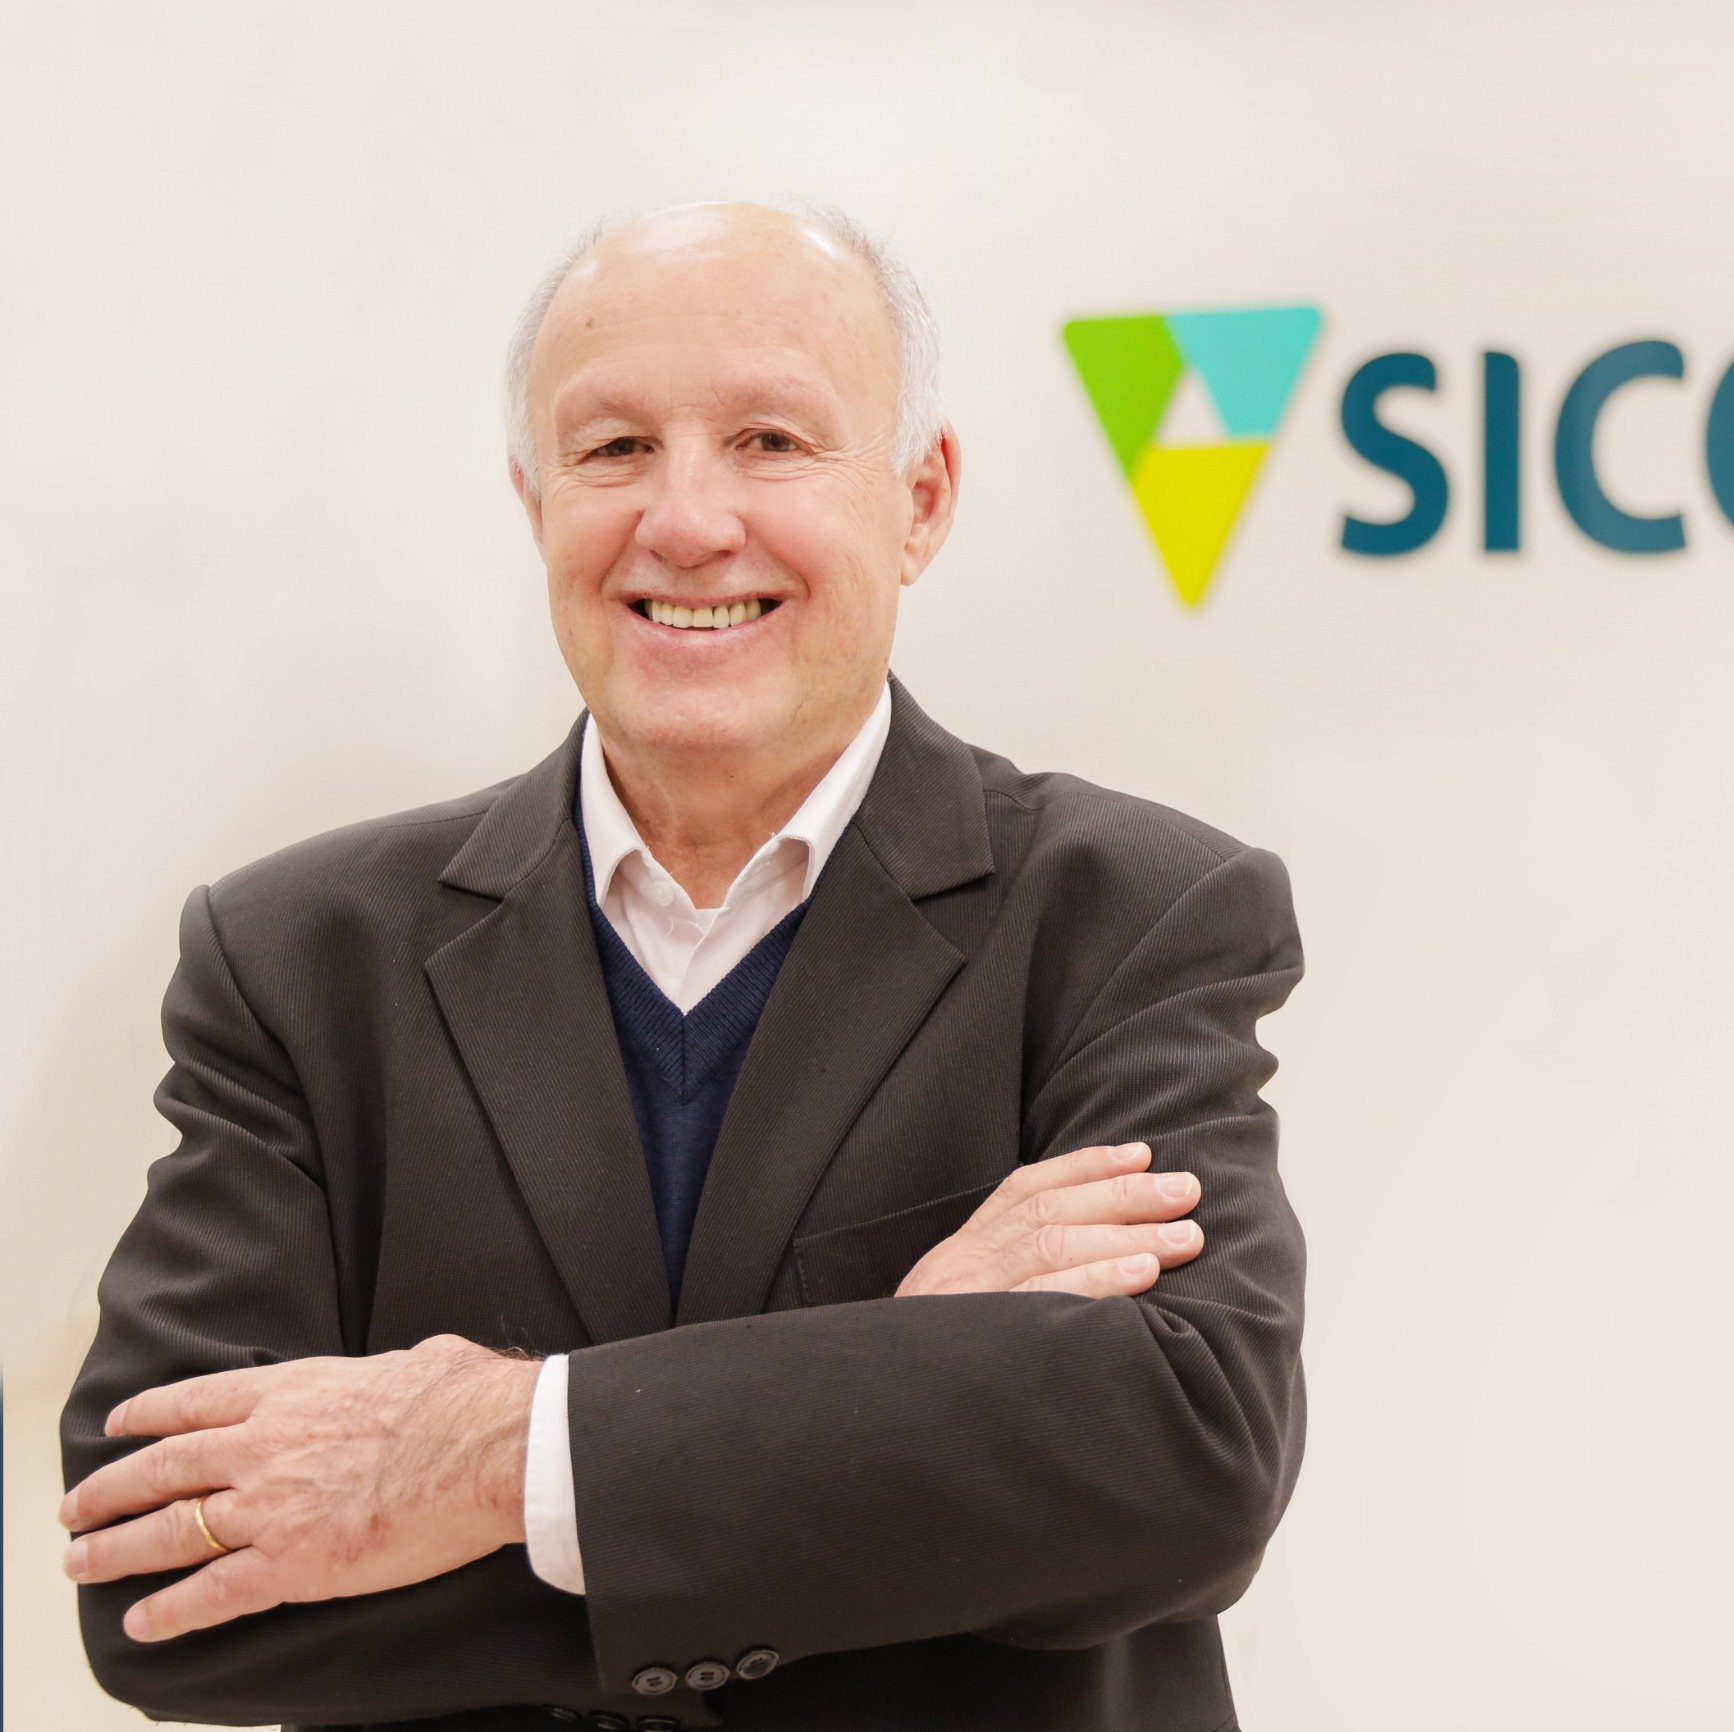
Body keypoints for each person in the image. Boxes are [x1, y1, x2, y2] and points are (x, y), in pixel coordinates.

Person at [56, 202, 1306, 1732]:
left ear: (919, 501)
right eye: (615, 449)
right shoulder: (296, 963)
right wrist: (902, 1377)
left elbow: (1179, 1463)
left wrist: (488, 1456)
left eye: (772, 442)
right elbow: (156, 1569)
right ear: (534, 502)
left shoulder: (1130, 918)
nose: (689, 521)